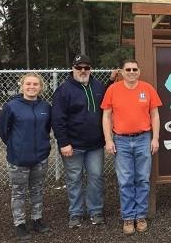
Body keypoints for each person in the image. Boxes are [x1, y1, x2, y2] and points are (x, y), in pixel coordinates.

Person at [101, 60, 162, 235]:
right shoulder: (113, 89)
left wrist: (155, 138)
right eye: (128, 69)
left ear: (139, 71)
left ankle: (140, 216)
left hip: (143, 138)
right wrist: (108, 140)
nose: (131, 72)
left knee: (142, 179)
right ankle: (128, 217)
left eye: (134, 69)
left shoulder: (147, 88)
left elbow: (155, 115)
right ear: (122, 71)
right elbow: (106, 116)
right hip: (121, 140)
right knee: (125, 180)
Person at [51, 54, 107, 228]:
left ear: (91, 69)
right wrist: (63, 143)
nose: (83, 71)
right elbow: (57, 119)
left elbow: (108, 109)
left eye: (86, 67)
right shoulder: (64, 90)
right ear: (73, 68)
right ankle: (76, 213)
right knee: (74, 179)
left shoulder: (99, 86)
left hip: (95, 145)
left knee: (96, 177)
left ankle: (95, 211)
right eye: (79, 67)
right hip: (72, 145)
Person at [0, 73, 53, 240]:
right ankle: (20, 223)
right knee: (18, 191)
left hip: (40, 157)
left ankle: (37, 219)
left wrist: (43, 147)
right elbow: (2, 129)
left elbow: (47, 128)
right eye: (28, 83)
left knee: (37, 190)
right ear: (22, 86)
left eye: (35, 84)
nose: (32, 87)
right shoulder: (12, 106)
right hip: (18, 159)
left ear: (40, 87)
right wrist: (15, 145)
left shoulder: (45, 107)